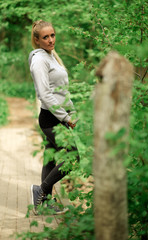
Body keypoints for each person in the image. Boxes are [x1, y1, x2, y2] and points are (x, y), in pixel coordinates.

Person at [29, 20, 78, 215]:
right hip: (51, 119)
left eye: (52, 35)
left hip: (58, 116)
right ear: (37, 40)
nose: (50, 40)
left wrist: (72, 112)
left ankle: (46, 203)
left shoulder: (51, 56)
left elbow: (61, 91)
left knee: (50, 160)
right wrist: (65, 117)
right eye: (45, 37)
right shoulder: (39, 60)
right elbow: (45, 94)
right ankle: (40, 191)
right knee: (73, 157)